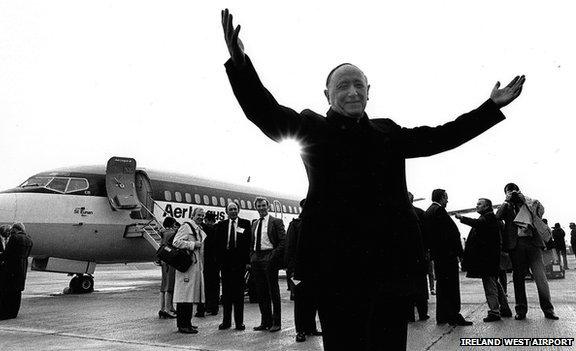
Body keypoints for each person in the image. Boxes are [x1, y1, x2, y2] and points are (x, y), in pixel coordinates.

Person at [221, 8, 525, 349]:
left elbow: (441, 137)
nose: (352, 92)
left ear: (369, 91)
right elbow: (265, 111)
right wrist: (241, 65)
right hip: (335, 271)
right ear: (327, 95)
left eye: (358, 85)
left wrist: (489, 107)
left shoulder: (387, 133)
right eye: (343, 86)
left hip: (391, 270)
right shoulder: (313, 129)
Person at [496, 183, 558, 320]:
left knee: (540, 277)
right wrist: (506, 201)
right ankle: (521, 310)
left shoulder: (530, 203)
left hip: (533, 243)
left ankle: (548, 309)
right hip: (516, 245)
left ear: (519, 191)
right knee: (518, 279)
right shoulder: (506, 206)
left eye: (514, 190)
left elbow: (541, 212)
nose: (512, 193)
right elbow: (497, 218)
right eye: (509, 191)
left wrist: (524, 200)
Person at [456, 198, 512, 322]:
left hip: (487, 260)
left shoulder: (488, 218)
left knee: (490, 286)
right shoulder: (489, 217)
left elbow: (477, 224)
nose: (477, 206)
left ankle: (494, 312)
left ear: (487, 206)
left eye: (480, 204)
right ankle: (505, 309)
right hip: (490, 259)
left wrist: (462, 218)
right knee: (495, 284)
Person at [426, 190, 472, 326]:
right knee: (451, 287)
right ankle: (454, 315)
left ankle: (442, 316)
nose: (447, 201)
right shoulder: (439, 211)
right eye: (446, 198)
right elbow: (451, 234)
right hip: (447, 256)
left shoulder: (429, 211)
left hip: (438, 256)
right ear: (442, 197)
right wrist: (460, 254)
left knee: (442, 286)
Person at [286, 199, 321, 342]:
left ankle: (311, 328)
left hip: (314, 270)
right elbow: (289, 249)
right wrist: (291, 271)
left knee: (313, 300)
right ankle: (300, 331)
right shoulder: (295, 225)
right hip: (298, 271)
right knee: (300, 301)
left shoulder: (318, 225)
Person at [250, 196, 286, 332]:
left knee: (273, 292)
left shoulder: (276, 221)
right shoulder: (254, 223)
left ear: (268, 206)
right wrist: (252, 256)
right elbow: (252, 242)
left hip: (269, 257)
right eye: (259, 206)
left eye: (263, 206)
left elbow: (283, 242)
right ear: (256, 208)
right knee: (261, 292)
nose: (261, 208)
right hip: (256, 258)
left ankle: (276, 322)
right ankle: (265, 321)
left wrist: (272, 256)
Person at [216, 202, 252, 331]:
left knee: (239, 295)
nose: (233, 211)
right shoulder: (221, 225)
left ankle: (239, 322)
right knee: (226, 294)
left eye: (235, 209)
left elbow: (249, 244)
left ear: (238, 210)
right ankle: (226, 322)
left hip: (240, 263)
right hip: (225, 264)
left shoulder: (245, 224)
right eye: (230, 209)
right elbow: (217, 245)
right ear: (226, 211)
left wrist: (248, 262)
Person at [172, 207, 206, 334]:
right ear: (193, 215)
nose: (201, 217)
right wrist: (193, 245)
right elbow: (176, 242)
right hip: (186, 267)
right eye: (198, 215)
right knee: (184, 297)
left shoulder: (197, 228)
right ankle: (182, 325)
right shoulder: (186, 227)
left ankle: (188, 322)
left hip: (194, 267)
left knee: (190, 296)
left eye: (202, 215)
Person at [0, 222, 33, 320]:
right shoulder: (29, 239)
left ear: (15, 229)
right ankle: (13, 313)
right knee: (17, 292)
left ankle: (2, 315)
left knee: (5, 292)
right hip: (22, 267)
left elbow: (8, 253)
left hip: (11, 268)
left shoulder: (15, 238)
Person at [407, 192, 430, 323]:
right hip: (419, 255)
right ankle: (423, 313)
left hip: (405, 258)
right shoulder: (420, 213)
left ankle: (409, 315)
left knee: (408, 287)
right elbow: (427, 235)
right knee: (421, 286)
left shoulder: (398, 214)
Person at [196, 211, 220, 317]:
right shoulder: (217, 228)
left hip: (207, 262)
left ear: (208, 220)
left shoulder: (208, 229)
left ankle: (205, 308)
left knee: (205, 285)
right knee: (214, 286)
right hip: (215, 262)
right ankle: (213, 307)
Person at [158, 217, 179, 319]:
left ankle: (162, 309)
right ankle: (168, 309)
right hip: (170, 260)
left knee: (163, 285)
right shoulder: (172, 233)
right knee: (170, 285)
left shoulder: (163, 233)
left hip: (163, 259)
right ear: (172, 224)